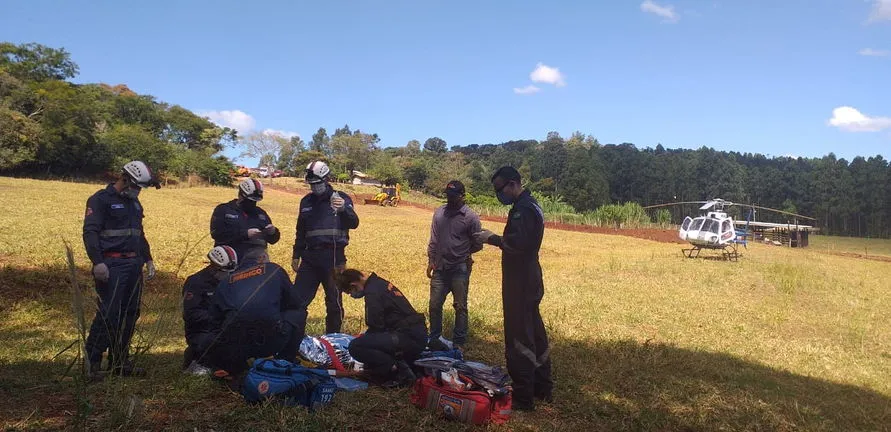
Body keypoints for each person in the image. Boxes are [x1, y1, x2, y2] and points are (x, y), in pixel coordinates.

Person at [473, 166, 553, 411]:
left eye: (500, 189)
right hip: (530, 276)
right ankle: (542, 388)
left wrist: (491, 238)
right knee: (535, 333)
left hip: (520, 279)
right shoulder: (533, 205)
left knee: (519, 337)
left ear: (513, 183)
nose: (499, 194)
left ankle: (522, 397)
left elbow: (516, 245)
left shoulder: (522, 210)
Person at [82, 160, 160, 380]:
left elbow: (139, 234)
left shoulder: (135, 204)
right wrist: (97, 262)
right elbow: (90, 233)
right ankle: (93, 362)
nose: (138, 192)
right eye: (136, 186)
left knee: (130, 314)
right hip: (111, 265)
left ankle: (119, 361)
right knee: (109, 313)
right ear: (124, 179)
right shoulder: (100, 200)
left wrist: (148, 259)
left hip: (134, 265)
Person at [292, 161, 359, 336]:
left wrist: (344, 210)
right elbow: (300, 230)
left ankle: (333, 340)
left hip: (334, 258)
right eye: (312, 184)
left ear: (327, 179)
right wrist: (296, 254)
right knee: (297, 301)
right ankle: (294, 340)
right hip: (310, 258)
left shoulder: (341, 198)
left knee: (334, 302)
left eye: (318, 183)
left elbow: (354, 223)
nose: (315, 187)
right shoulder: (305, 202)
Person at [207, 253, 303, 374]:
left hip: (237, 345)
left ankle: (238, 366)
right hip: (273, 339)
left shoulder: (225, 282)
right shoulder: (272, 268)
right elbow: (296, 302)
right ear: (261, 259)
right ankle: (286, 360)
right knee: (299, 313)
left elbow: (214, 319)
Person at [335, 269, 427, 387]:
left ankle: (395, 369)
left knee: (356, 346)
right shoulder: (379, 283)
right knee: (369, 344)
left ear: (353, 285)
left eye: (350, 292)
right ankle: (396, 364)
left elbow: (376, 326)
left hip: (407, 337)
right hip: (415, 333)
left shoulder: (372, 293)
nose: (352, 295)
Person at [426, 180, 482, 351]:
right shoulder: (440, 213)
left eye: (454, 196)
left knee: (460, 306)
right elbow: (434, 239)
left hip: (460, 268)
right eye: (448, 196)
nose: (450, 199)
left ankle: (459, 342)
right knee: (434, 305)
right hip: (440, 268)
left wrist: (462, 253)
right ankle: (434, 338)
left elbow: (478, 243)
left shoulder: (471, 217)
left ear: (462, 196)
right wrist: (430, 260)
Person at [181, 245, 238, 371]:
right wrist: (218, 318)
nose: (228, 275)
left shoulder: (230, 282)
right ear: (213, 267)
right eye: (225, 272)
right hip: (202, 331)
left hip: (225, 328)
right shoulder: (196, 283)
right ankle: (194, 357)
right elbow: (191, 314)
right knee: (220, 346)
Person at [210, 178, 280, 263]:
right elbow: (216, 234)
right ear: (241, 195)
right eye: (250, 200)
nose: (252, 204)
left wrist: (273, 232)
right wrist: (245, 234)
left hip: (256, 261)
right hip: (229, 260)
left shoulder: (261, 214)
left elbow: (273, 240)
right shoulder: (223, 210)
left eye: (255, 201)